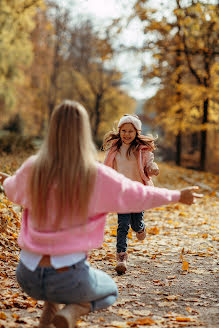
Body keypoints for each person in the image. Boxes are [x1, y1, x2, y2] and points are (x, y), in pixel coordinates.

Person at [0, 100, 202, 328]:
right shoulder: (95, 175)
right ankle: (73, 311)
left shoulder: (33, 167)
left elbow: (13, 190)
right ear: (83, 132)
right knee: (109, 291)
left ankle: (50, 315)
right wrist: (177, 195)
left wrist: (7, 181)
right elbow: (138, 195)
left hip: (27, 275)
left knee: (52, 294)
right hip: (68, 275)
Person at [103, 114, 159, 274]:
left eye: (130, 131)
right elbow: (107, 167)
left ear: (137, 133)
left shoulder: (142, 150)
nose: (127, 134)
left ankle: (141, 228)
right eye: (124, 131)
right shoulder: (114, 149)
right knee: (122, 226)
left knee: (135, 224)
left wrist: (152, 168)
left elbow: (149, 163)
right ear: (119, 131)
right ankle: (121, 256)